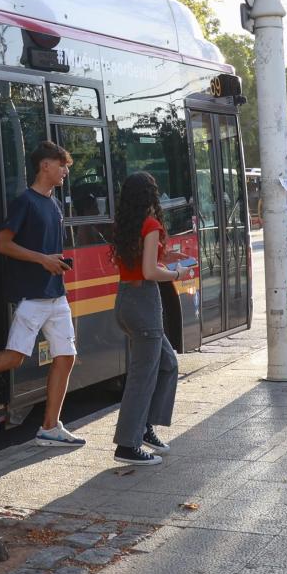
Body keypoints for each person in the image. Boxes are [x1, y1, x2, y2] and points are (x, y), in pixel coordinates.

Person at [0, 140, 82, 447]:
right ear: (44, 165)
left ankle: (50, 427)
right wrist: (42, 259)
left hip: (55, 295)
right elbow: (1, 244)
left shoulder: (54, 204)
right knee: (15, 357)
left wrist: (54, 261)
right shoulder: (25, 202)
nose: (65, 172)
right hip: (33, 297)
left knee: (67, 356)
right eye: (61, 165)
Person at [110, 172, 190, 466]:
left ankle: (143, 427)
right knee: (142, 378)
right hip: (144, 300)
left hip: (125, 301)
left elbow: (137, 266)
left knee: (168, 364)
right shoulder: (151, 224)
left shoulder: (125, 224)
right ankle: (127, 446)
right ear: (152, 195)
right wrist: (177, 274)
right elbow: (149, 272)